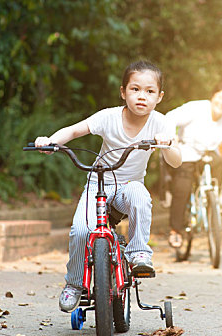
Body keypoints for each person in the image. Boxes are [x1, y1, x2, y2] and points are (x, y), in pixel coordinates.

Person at [33, 60, 182, 313]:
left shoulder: (161, 123)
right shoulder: (108, 117)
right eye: (135, 89)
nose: (141, 97)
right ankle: (75, 284)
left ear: (159, 97)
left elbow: (176, 161)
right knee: (81, 230)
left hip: (128, 187)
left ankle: (139, 254)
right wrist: (50, 142)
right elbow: (73, 131)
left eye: (149, 91)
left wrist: (167, 144)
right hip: (99, 183)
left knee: (140, 195)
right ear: (123, 92)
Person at [163, 80, 222, 248]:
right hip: (187, 152)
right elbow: (169, 117)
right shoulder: (196, 108)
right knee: (183, 188)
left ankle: (214, 203)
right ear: (213, 96)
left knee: (219, 162)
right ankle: (175, 231)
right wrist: (171, 137)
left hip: (208, 155)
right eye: (220, 97)